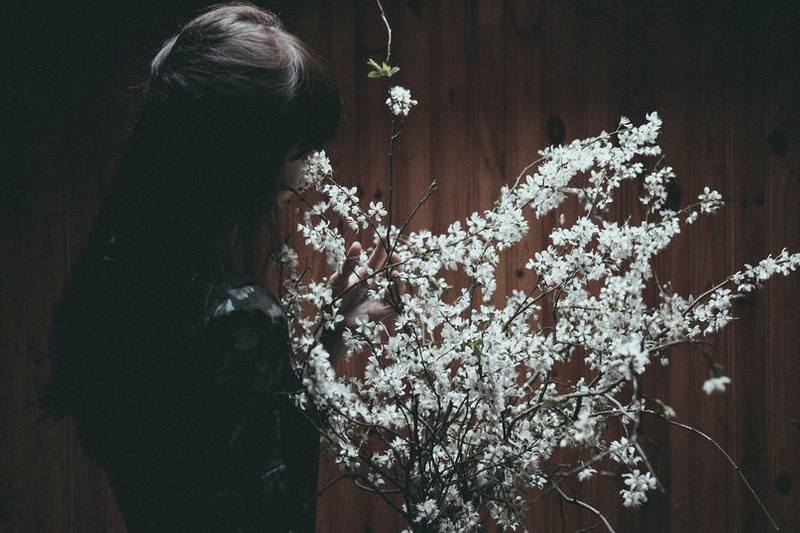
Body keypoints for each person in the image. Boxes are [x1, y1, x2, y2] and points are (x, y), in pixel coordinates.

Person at [35, 2, 399, 531]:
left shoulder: (109, 290)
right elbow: (277, 514)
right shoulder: (239, 321)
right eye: (297, 150)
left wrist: (330, 342)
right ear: (243, 158)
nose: (303, 174)